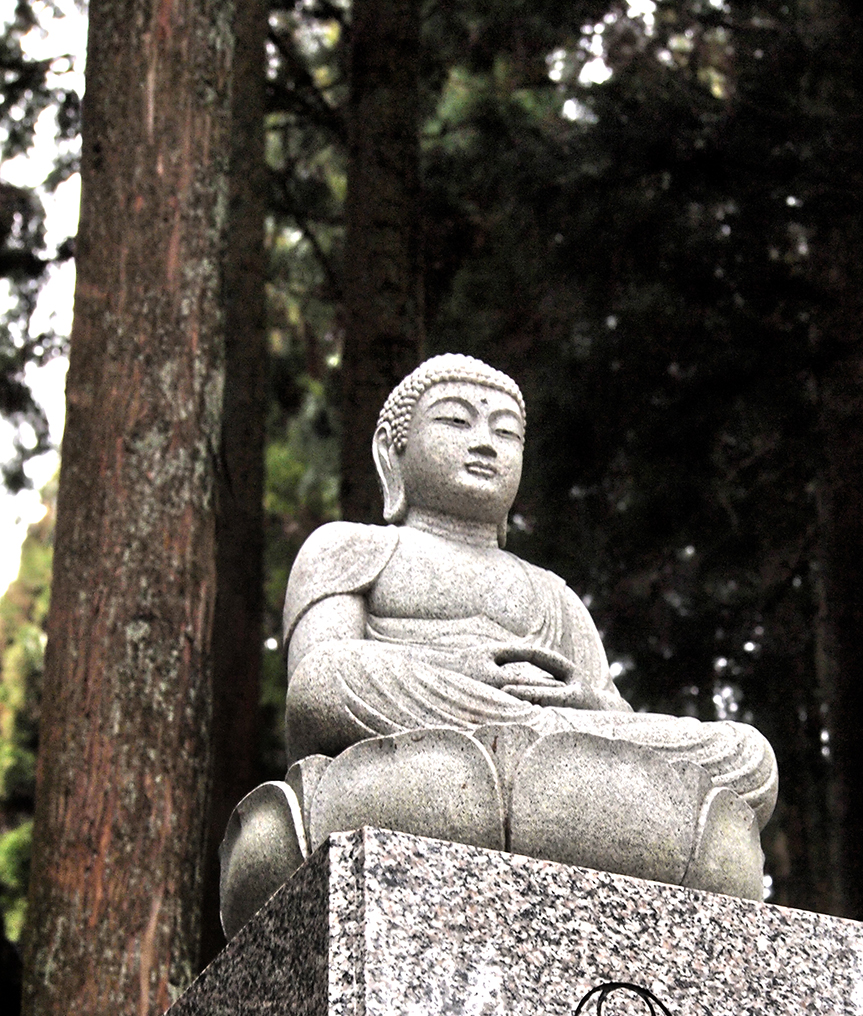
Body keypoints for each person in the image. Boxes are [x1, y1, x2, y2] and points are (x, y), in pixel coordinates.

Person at [219, 355, 777, 936]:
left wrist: (577, 701)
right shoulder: (347, 546)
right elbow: (318, 686)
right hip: (418, 756)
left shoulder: (552, 592)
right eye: (456, 423)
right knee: (346, 705)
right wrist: (461, 674)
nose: (484, 443)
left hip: (561, 752)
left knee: (748, 754)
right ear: (394, 451)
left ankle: (535, 758)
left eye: (505, 431)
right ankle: (521, 760)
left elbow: (613, 715)